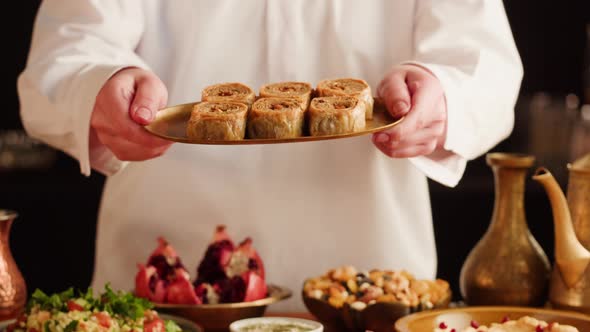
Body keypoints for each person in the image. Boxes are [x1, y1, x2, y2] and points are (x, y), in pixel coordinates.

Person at [18, 1, 522, 311]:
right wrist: (98, 87)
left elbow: (487, 66)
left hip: (368, 296)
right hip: (163, 291)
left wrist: (442, 94)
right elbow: (62, 54)